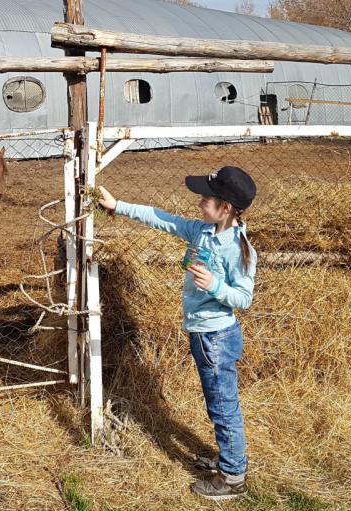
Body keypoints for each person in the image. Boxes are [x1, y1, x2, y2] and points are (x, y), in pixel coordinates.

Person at [96, 166, 257, 501]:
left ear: (225, 207)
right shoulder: (203, 231)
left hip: (217, 339)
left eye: (206, 198)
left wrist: (214, 286)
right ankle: (230, 458)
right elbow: (162, 218)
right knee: (219, 404)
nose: (199, 202)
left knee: (223, 407)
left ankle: (233, 477)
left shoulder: (237, 248)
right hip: (203, 335)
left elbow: (243, 298)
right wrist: (117, 206)